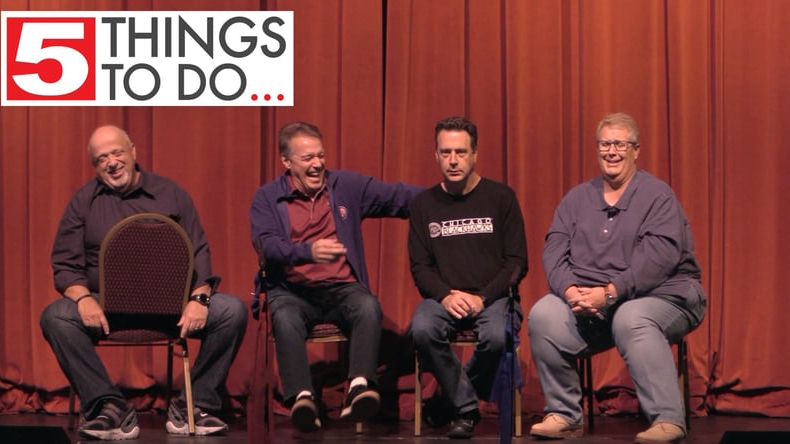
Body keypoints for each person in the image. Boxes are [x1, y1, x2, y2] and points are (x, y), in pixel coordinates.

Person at [40, 125, 249, 441]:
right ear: (95, 166)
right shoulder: (83, 201)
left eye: (117, 152)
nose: (111, 162)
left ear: (133, 151)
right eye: (101, 159)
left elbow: (199, 251)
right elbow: (65, 266)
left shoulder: (171, 193)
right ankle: (107, 406)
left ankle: (195, 405)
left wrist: (200, 298)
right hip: (108, 308)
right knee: (55, 317)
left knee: (232, 310)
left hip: (171, 307)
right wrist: (83, 299)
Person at [527, 112, 706, 444]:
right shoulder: (577, 198)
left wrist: (609, 292)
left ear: (636, 150)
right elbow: (553, 249)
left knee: (630, 316)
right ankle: (564, 413)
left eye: (620, 144)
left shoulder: (657, 196)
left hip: (668, 296)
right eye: (605, 144)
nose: (612, 151)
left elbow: (659, 259)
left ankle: (668, 419)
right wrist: (569, 291)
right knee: (543, 314)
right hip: (593, 302)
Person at [249, 121, 422, 433]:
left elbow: (397, 197)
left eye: (320, 156)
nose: (317, 164)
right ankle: (302, 398)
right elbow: (267, 246)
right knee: (284, 316)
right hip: (292, 290)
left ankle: (358, 387)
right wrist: (307, 251)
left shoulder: (345, 186)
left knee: (368, 306)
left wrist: (447, 197)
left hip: (342, 287)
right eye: (307, 158)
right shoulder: (267, 198)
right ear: (286, 162)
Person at [408, 116, 529, 439]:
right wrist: (446, 295)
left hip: (493, 298)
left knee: (497, 337)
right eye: (445, 152)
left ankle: (449, 404)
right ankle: (465, 407)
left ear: (474, 154)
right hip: (443, 298)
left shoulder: (501, 198)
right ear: (435, 155)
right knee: (421, 328)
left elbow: (517, 262)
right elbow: (420, 267)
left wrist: (483, 297)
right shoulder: (423, 204)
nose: (453, 160)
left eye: (460, 152)